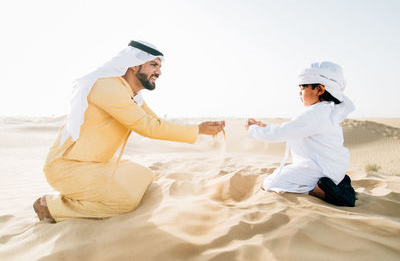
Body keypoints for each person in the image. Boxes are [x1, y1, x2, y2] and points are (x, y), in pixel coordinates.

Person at [33, 40, 225, 222]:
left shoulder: (132, 95)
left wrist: (199, 128)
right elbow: (147, 127)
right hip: (67, 167)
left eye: (159, 67)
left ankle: (80, 195)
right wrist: (197, 130)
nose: (159, 72)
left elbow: (156, 121)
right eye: (153, 65)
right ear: (134, 65)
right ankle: (51, 207)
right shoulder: (107, 87)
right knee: (126, 201)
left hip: (95, 165)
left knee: (143, 175)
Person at [246, 61, 356, 206]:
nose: (299, 92)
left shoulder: (314, 114)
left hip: (319, 169)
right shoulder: (327, 111)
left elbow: (282, 133)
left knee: (272, 182)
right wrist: (265, 126)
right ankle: (337, 183)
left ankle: (320, 191)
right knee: (283, 176)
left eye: (303, 87)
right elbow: (292, 128)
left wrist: (253, 130)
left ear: (319, 90)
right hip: (332, 169)